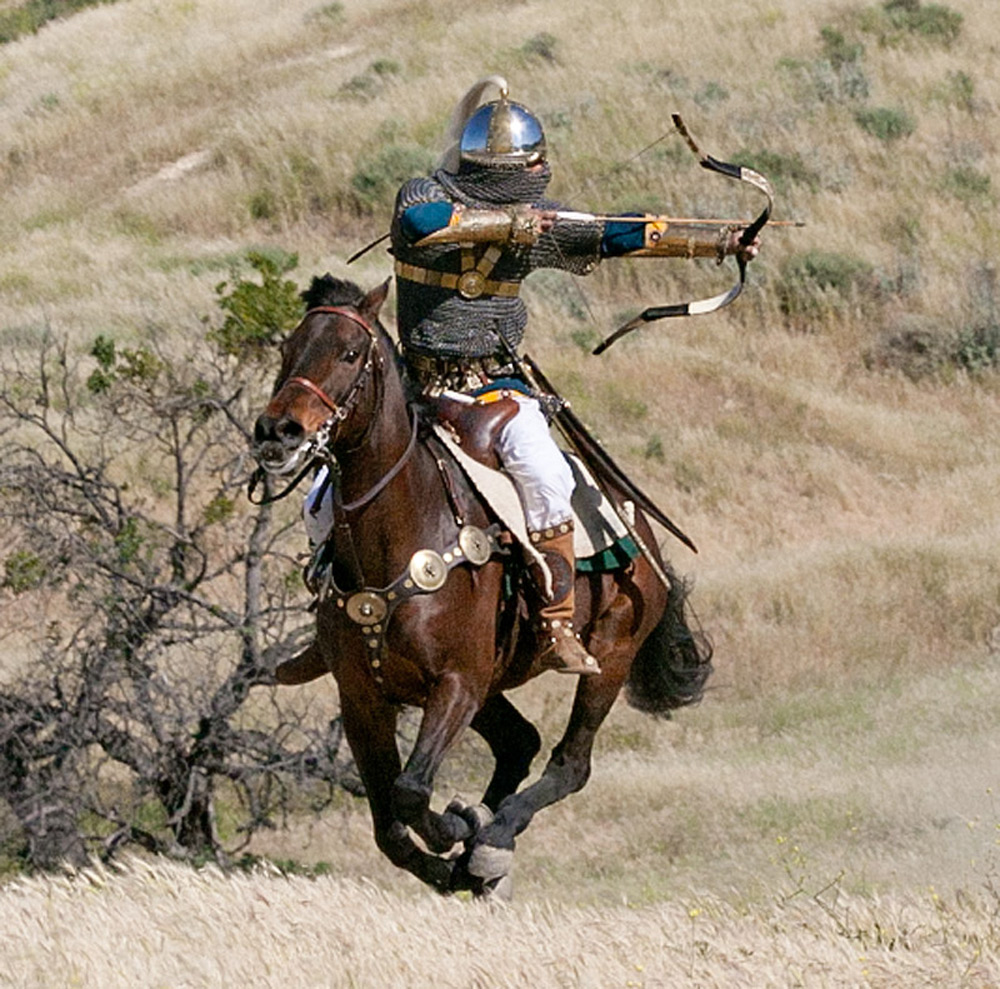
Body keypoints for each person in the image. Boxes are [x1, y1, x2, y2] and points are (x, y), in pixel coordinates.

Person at [372, 75, 759, 677]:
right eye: (528, 168)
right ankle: (330, 616)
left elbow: (614, 231)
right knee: (327, 489)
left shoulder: (541, 222)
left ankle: (555, 623)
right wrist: (513, 226)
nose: (537, 175)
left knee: (545, 473)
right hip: (413, 386)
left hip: (494, 388)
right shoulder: (424, 195)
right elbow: (424, 224)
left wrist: (720, 241)